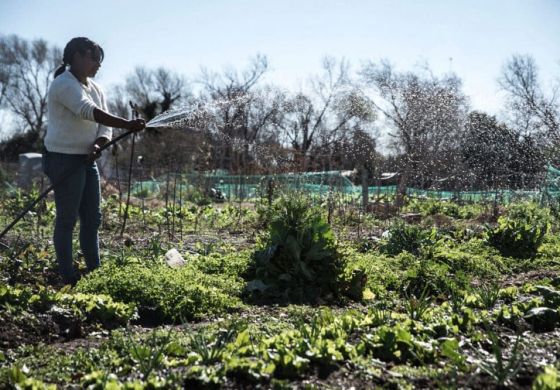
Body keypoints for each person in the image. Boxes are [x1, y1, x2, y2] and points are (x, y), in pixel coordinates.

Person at [43, 37, 145, 285]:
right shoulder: (64, 84)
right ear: (76, 56)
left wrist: (99, 143)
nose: (98, 65)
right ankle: (67, 276)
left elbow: (102, 127)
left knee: (93, 218)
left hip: (87, 160)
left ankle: (96, 274)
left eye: (100, 61)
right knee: (67, 219)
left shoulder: (96, 88)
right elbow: (88, 111)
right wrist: (126, 124)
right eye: (94, 58)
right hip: (63, 159)